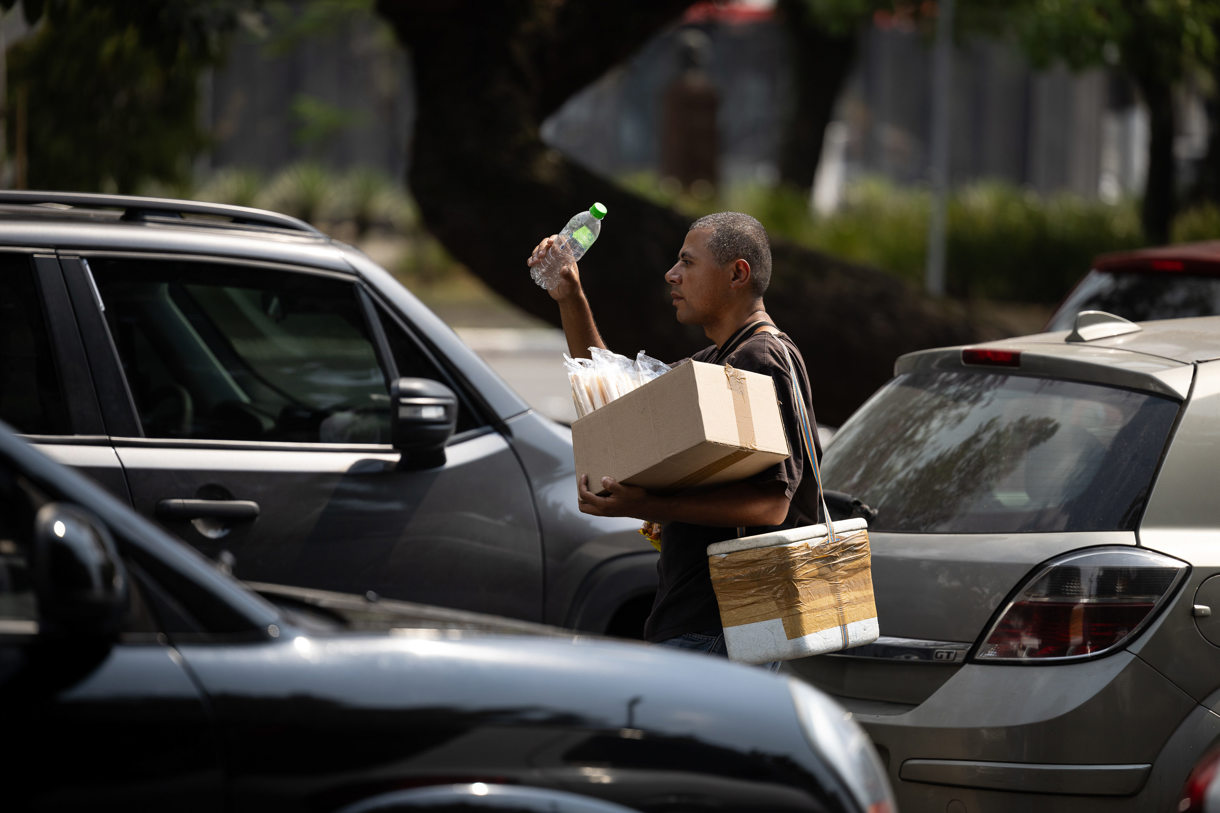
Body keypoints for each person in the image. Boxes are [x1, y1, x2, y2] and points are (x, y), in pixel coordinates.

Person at [527, 211, 822, 659]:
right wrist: (571, 298)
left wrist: (650, 506)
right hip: (705, 622)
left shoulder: (760, 359)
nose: (672, 274)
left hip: (724, 628)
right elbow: (621, 406)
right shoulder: (721, 358)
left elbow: (772, 503)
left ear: (737, 273)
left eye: (687, 262)